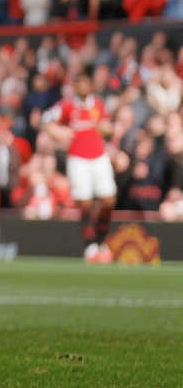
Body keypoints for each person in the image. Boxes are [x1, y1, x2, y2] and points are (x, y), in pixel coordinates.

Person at [48, 70, 118, 262]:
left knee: (108, 199)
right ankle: (90, 245)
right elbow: (48, 121)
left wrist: (107, 130)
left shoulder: (98, 104)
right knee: (85, 202)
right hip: (77, 158)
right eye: (79, 83)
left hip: (99, 156)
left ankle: (101, 238)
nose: (82, 87)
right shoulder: (67, 105)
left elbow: (107, 127)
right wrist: (58, 132)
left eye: (85, 83)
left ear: (90, 86)